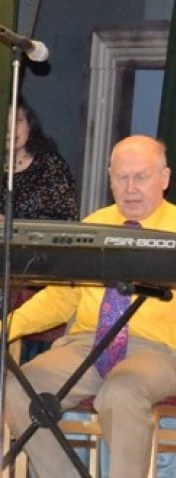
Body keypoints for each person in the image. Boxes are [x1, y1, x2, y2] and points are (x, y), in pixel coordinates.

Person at [4, 134, 176, 478]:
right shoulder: (95, 225)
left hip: (160, 353)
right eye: (121, 178)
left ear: (164, 179)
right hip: (88, 346)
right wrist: (8, 327)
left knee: (122, 391)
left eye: (140, 177)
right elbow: (59, 298)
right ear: (109, 179)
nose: (130, 189)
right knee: (19, 390)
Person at [2, 97, 80, 361]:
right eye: (5, 122)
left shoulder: (50, 166)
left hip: (38, 265)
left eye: (18, 121)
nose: (11, 129)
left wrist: (15, 224)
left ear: (30, 124)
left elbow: (67, 221)